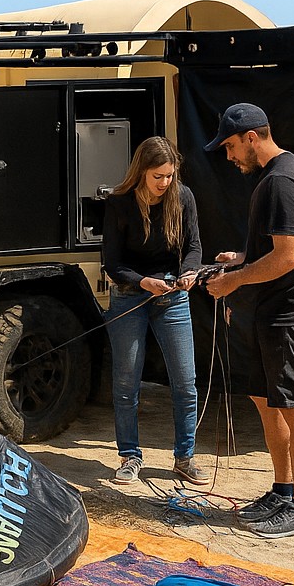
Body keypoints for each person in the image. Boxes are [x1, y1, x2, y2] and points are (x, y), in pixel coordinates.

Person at [202, 103, 294, 539]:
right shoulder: (270, 178)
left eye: (232, 146)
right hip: (266, 311)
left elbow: (289, 257)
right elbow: (274, 249)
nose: (230, 155)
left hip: (291, 312)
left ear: (253, 137)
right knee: (266, 400)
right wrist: (242, 259)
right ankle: (281, 489)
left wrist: (233, 281)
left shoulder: (282, 181)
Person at [100, 135, 209, 486]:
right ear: (141, 173)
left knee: (185, 382)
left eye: (169, 176)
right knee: (126, 382)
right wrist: (143, 282)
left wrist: (190, 271)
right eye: (158, 176)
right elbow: (112, 263)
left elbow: (193, 245)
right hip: (131, 295)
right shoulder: (119, 202)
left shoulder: (183, 197)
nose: (164, 183)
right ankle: (130, 456)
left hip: (173, 294)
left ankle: (184, 457)